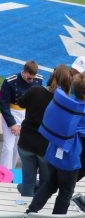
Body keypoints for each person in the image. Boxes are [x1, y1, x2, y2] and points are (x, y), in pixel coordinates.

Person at [27, 72, 85, 214]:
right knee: (65, 192)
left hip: (53, 154)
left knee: (50, 185)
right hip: (70, 160)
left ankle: (30, 212)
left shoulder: (67, 105)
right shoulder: (81, 112)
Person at [16, 65, 72, 196]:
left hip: (26, 143)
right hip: (46, 148)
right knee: (45, 184)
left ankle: (26, 211)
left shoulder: (36, 90)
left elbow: (20, 103)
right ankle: (36, 211)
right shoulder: (66, 102)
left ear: (52, 76)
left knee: (28, 182)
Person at [0, 60, 43, 169]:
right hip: (12, 113)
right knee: (8, 147)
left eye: (33, 77)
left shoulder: (38, 80)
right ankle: (4, 172)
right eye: (29, 77)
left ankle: (11, 169)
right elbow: (3, 104)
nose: (31, 80)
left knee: (18, 146)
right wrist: (12, 123)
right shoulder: (10, 81)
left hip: (26, 115)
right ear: (25, 72)